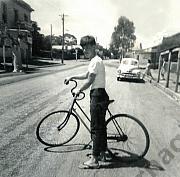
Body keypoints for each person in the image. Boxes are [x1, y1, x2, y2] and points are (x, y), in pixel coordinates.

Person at [65, 35, 109, 169]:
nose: (86, 50)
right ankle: (102, 152)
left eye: (88, 47)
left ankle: (94, 160)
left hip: (98, 95)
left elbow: (90, 80)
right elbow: (86, 75)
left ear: (94, 47)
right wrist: (72, 76)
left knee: (95, 128)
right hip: (100, 94)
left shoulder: (96, 61)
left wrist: (79, 89)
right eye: (84, 48)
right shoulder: (94, 61)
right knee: (100, 126)